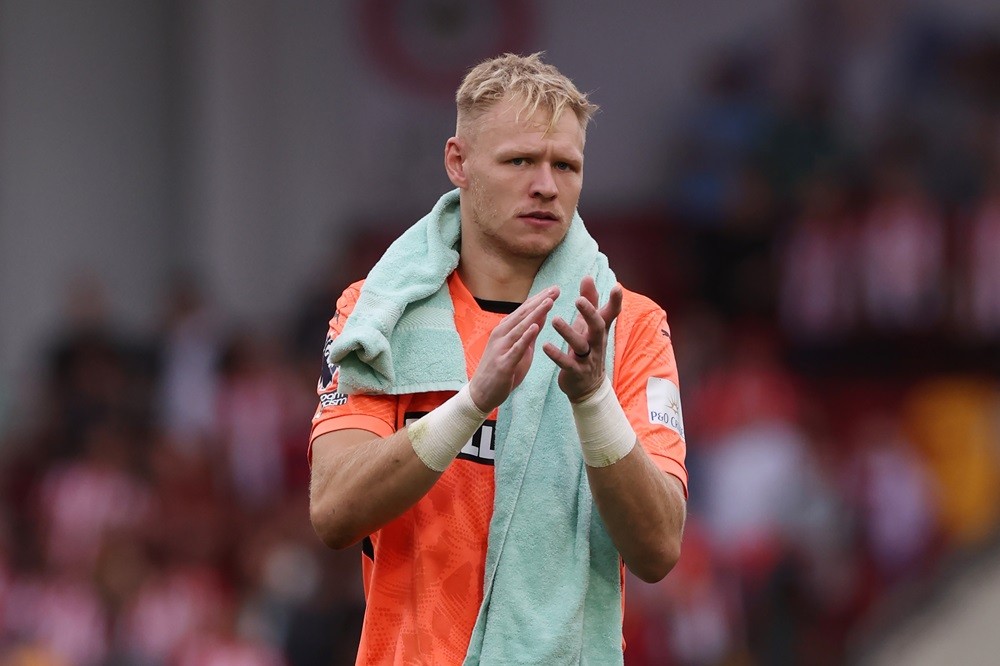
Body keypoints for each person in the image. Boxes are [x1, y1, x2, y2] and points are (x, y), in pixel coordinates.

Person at [308, 53, 687, 664]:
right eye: (519, 161)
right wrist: (472, 404)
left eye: (566, 165)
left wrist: (592, 400)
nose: (546, 185)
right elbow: (333, 513)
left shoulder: (629, 324)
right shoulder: (376, 316)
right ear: (458, 162)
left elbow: (659, 549)